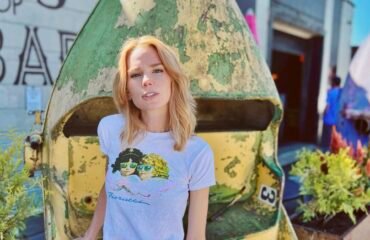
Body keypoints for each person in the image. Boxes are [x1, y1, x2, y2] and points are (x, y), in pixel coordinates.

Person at [78, 36, 215, 240]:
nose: (146, 80)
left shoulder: (197, 152)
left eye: (157, 70)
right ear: (127, 90)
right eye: (135, 75)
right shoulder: (111, 129)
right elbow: (110, 186)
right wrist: (89, 235)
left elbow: (196, 236)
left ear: (173, 81)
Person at [321, 75, 342, 151]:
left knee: (326, 140)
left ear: (333, 82)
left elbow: (327, 106)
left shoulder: (331, 92)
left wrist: (323, 113)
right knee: (334, 139)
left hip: (328, 119)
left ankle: (325, 153)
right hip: (337, 120)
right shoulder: (341, 93)